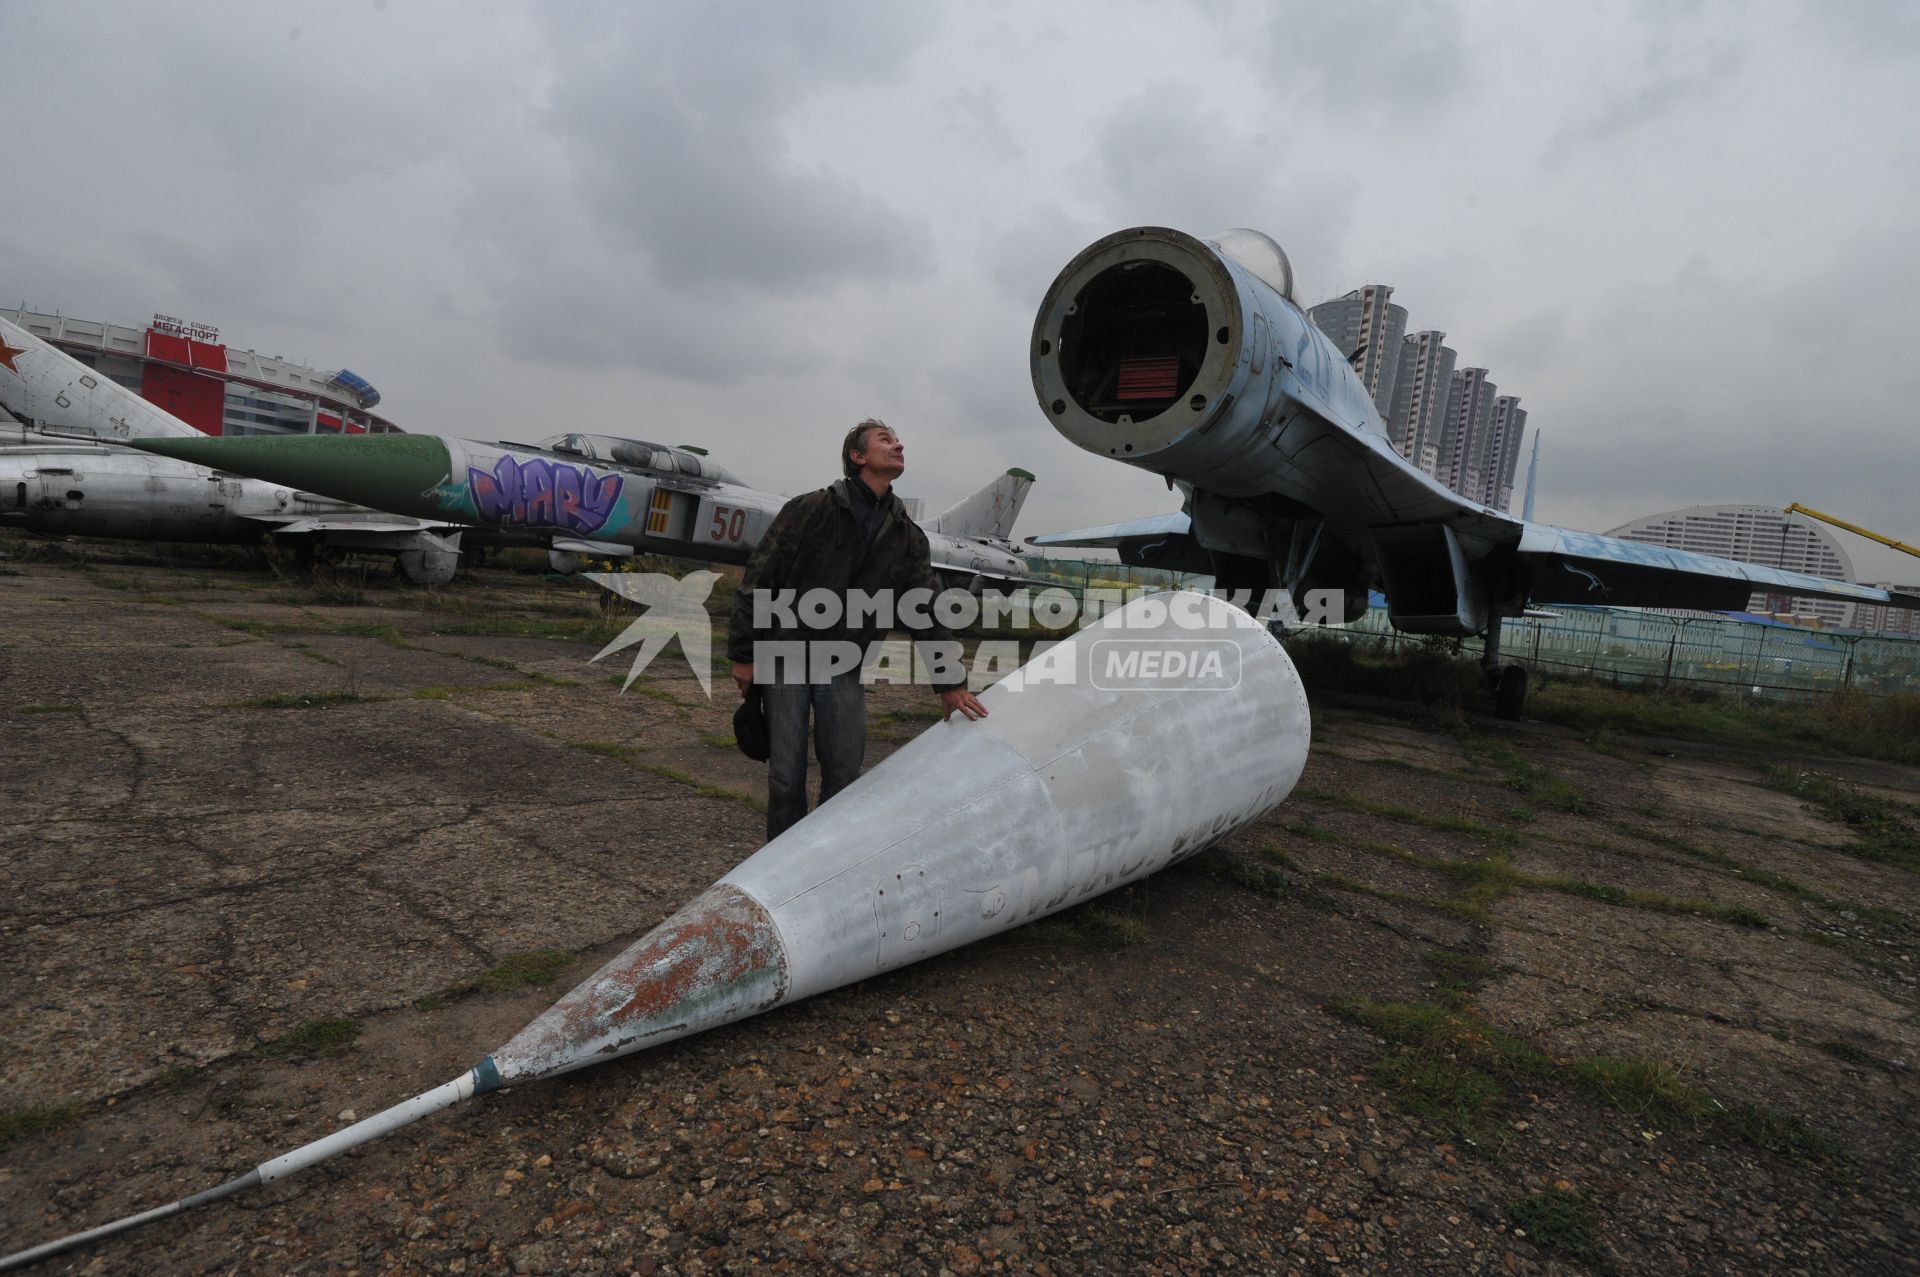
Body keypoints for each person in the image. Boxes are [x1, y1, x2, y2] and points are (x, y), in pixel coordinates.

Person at [727, 419, 988, 839]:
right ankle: (782, 864)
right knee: (785, 777)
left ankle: (825, 861)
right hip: (786, 659)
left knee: (845, 776)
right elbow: (760, 578)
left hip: (842, 666)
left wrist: (950, 682)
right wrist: (744, 653)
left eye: (899, 440)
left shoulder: (908, 537)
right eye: (886, 440)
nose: (898, 444)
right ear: (858, 456)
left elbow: (923, 610)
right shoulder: (811, 509)